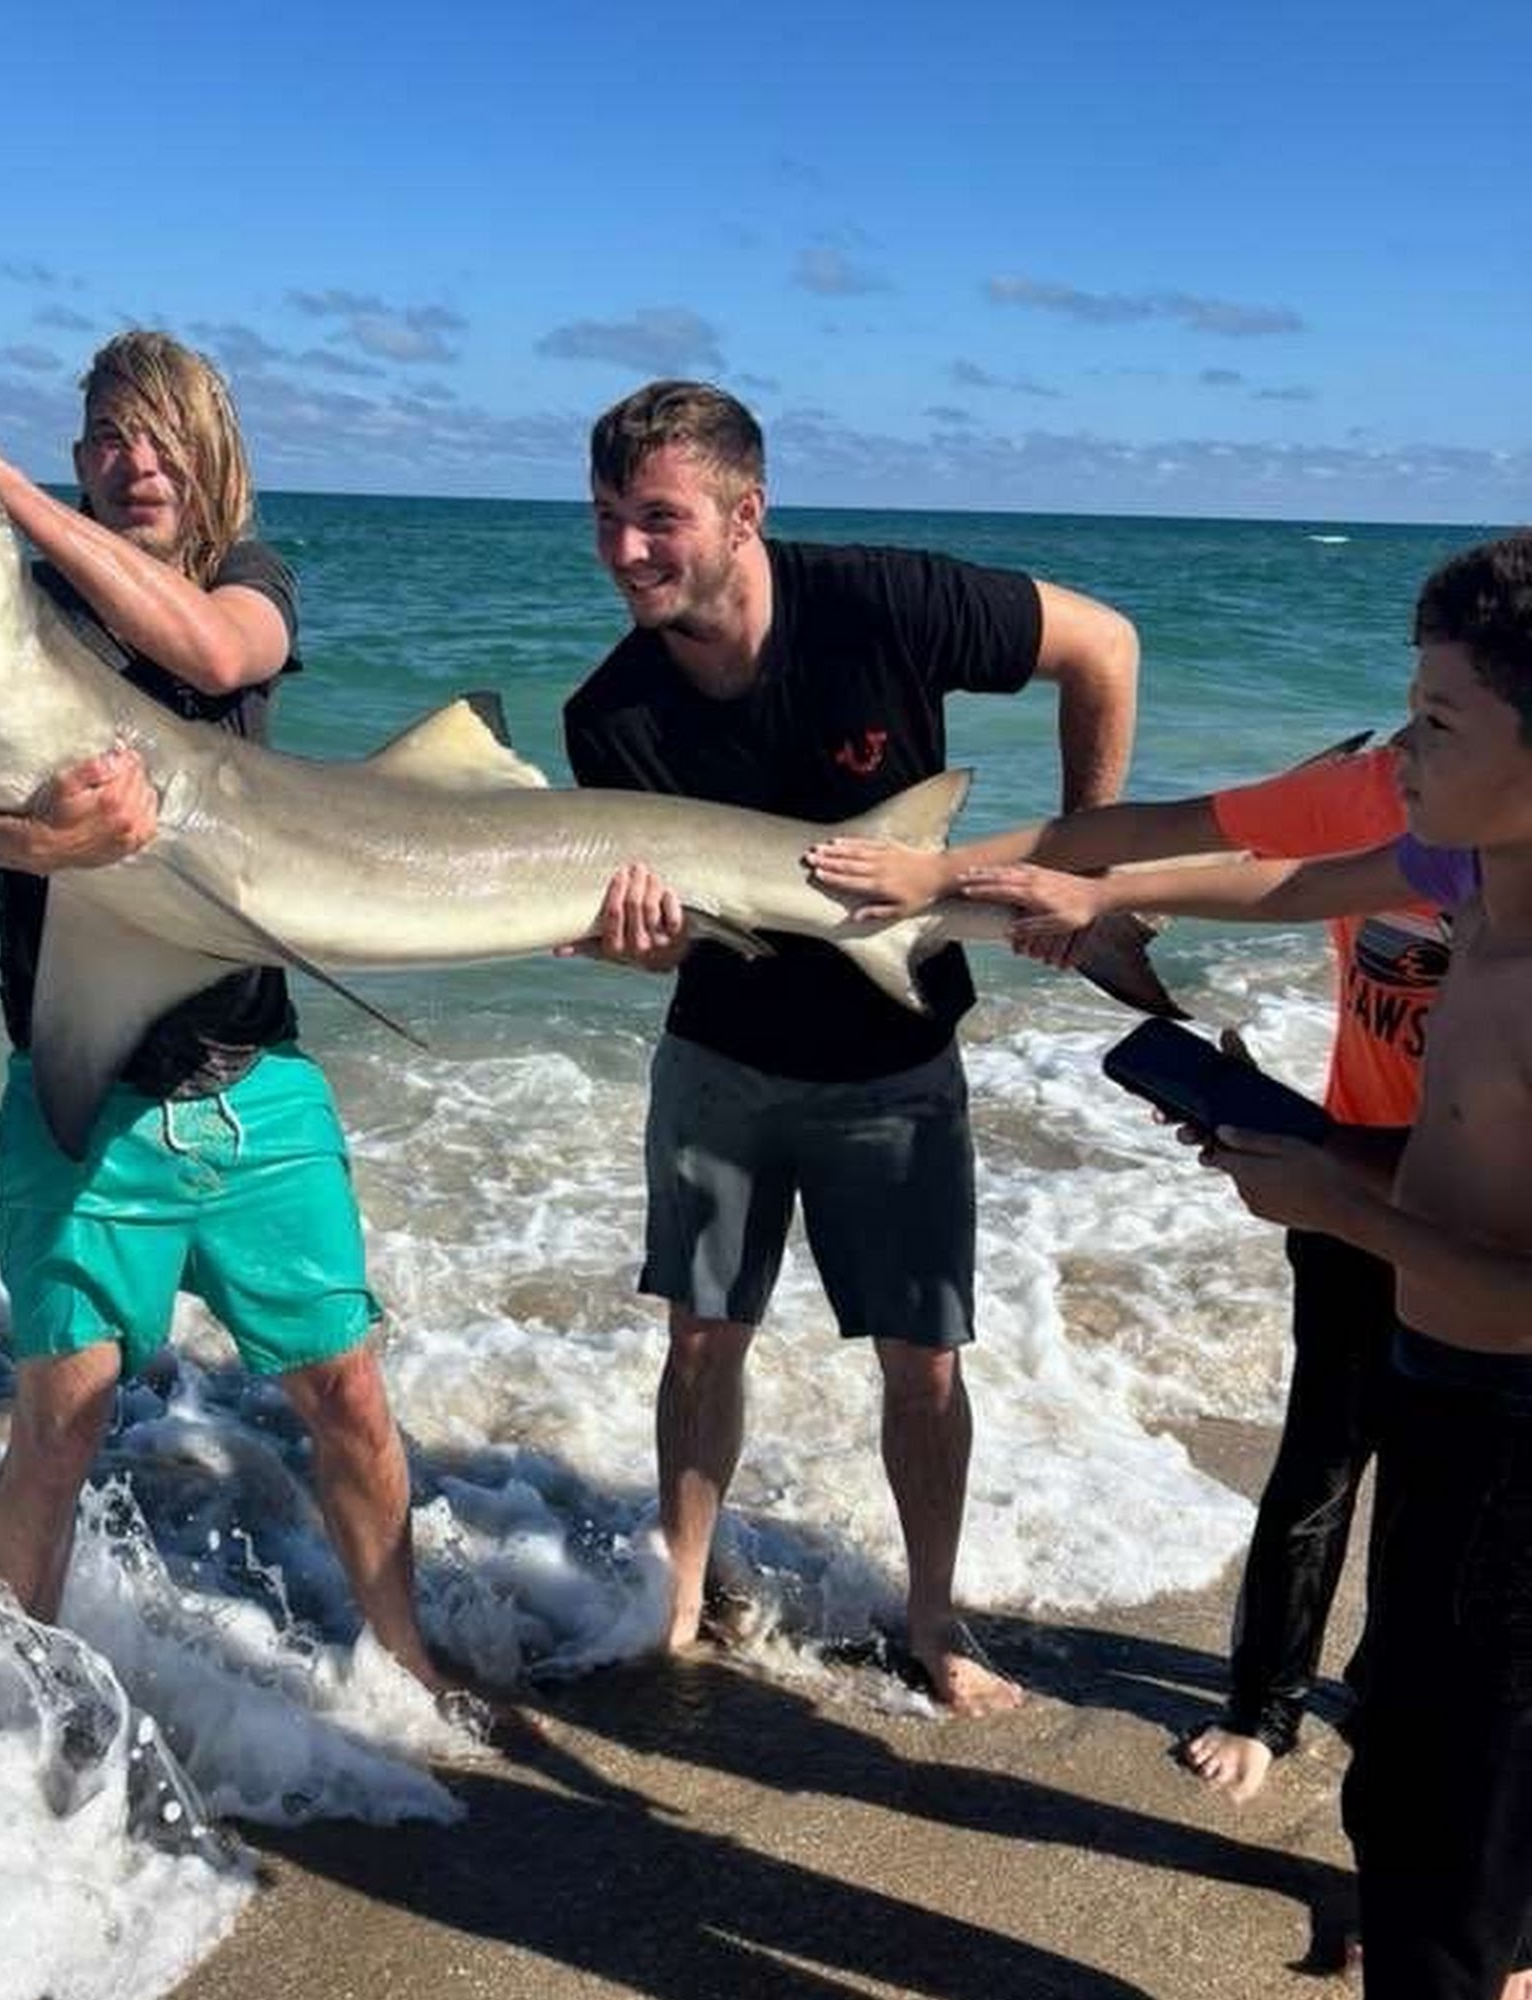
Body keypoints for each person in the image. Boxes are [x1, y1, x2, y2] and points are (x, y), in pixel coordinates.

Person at [0, 333, 447, 1697]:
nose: (134, 461)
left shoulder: (247, 580)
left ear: (215, 454)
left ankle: (416, 1670)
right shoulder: (22, 614)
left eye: (161, 437)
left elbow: (215, 651)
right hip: (79, 1085)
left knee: (347, 1394)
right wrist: (32, 840)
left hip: (248, 1079)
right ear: (81, 456)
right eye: (107, 437)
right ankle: (7, 1701)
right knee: (60, 1420)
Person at [957, 534, 1532, 2000]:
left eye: (1439, 722)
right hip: (1440, 1384)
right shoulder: (1467, 871)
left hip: (1513, 1440)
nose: (1400, 751)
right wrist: (1094, 891)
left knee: (1449, 1827)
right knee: (1407, 1754)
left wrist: (1338, 1205)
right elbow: (1284, 875)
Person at [560, 380, 1139, 1714]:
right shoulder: (611, 712)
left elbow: (1104, 646)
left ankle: (933, 1618)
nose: (624, 551)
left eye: (657, 518)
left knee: (921, 1362)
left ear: (745, 512)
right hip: (719, 1062)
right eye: (602, 519)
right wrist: (634, 943)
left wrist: (1087, 864)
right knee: (700, 1340)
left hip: (894, 1066)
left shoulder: (884, 602)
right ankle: (680, 1597)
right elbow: (662, 945)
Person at [807, 735, 1447, 1799]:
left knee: (1450, 1481)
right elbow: (1175, 838)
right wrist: (953, 872)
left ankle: (1397, 1697)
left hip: (1481, 1209)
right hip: (1347, 1187)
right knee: (1320, 1458)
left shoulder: (1488, 845)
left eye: (1444, 712)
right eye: (1415, 707)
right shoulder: (1376, 794)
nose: (1414, 739)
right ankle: (1263, 1706)